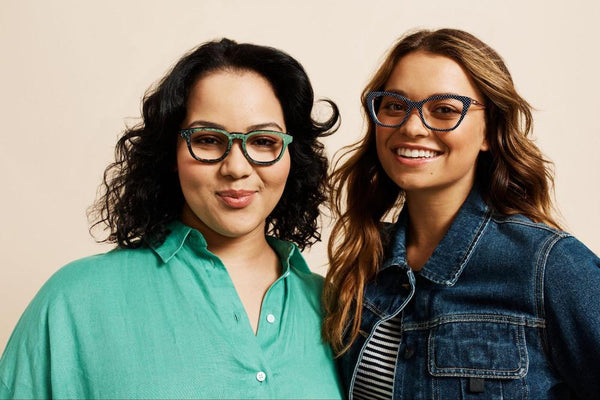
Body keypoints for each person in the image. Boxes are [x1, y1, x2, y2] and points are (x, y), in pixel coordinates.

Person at [0, 38, 343, 399]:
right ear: (170, 153)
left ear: (292, 155)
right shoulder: (75, 300)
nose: (237, 167)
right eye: (208, 139)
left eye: (263, 141)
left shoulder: (336, 309)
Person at [323, 28, 600, 400]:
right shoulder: (364, 263)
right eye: (394, 105)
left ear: (489, 132)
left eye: (444, 110)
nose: (411, 127)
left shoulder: (548, 266)